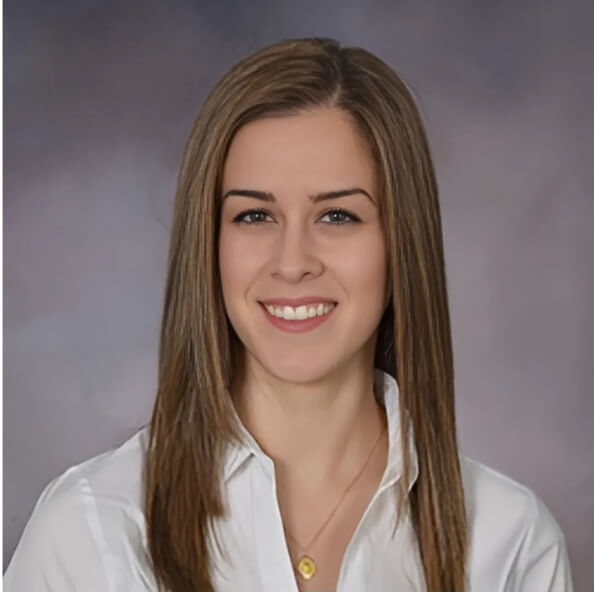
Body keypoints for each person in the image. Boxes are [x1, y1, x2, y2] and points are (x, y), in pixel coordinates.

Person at [4, 37, 573, 592]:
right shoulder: (88, 533)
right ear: (208, 242)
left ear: (402, 241)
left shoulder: (511, 544)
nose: (293, 262)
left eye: (338, 216)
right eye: (254, 216)